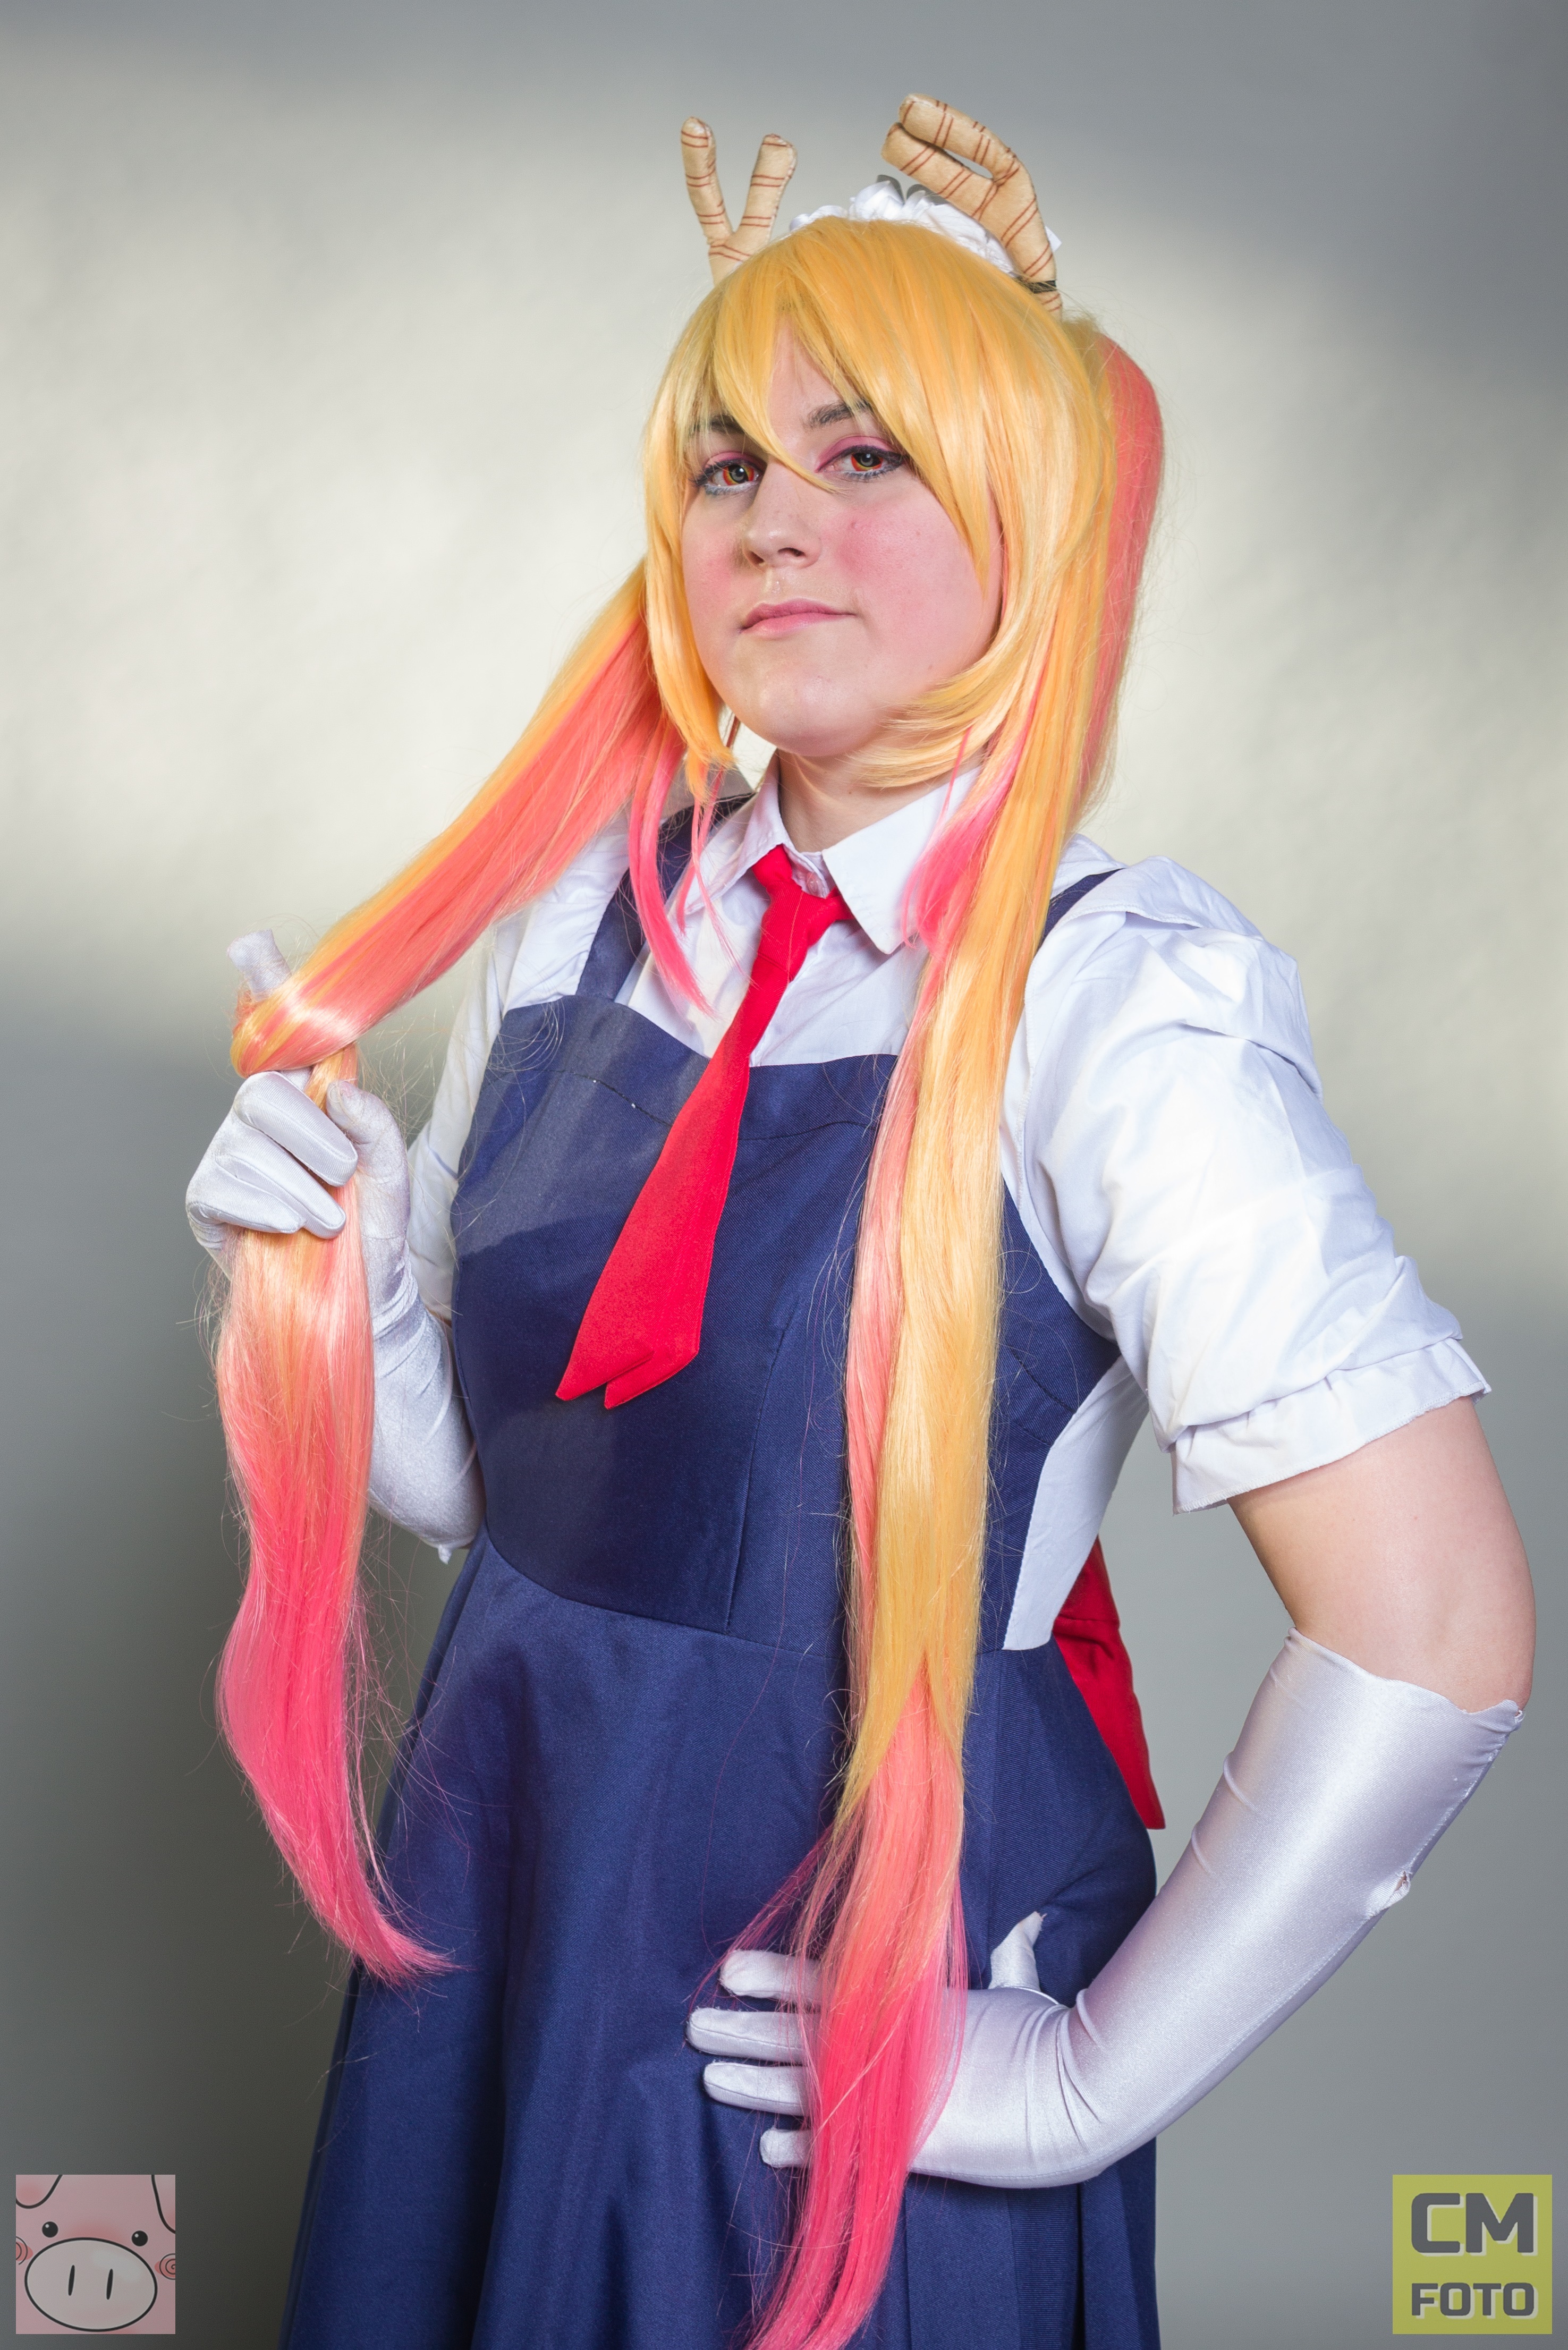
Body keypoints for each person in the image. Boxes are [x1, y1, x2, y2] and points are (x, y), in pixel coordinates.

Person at [186, 97, 1533, 2350]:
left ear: (1027, 512)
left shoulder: (1120, 1007)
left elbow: (1437, 1625)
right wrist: (330, 1300)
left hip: (834, 1987)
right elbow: (519, 1508)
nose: (775, 523)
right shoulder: (577, 924)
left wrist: (1084, 2075)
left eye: (867, 454)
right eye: (727, 466)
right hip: (507, 1892)